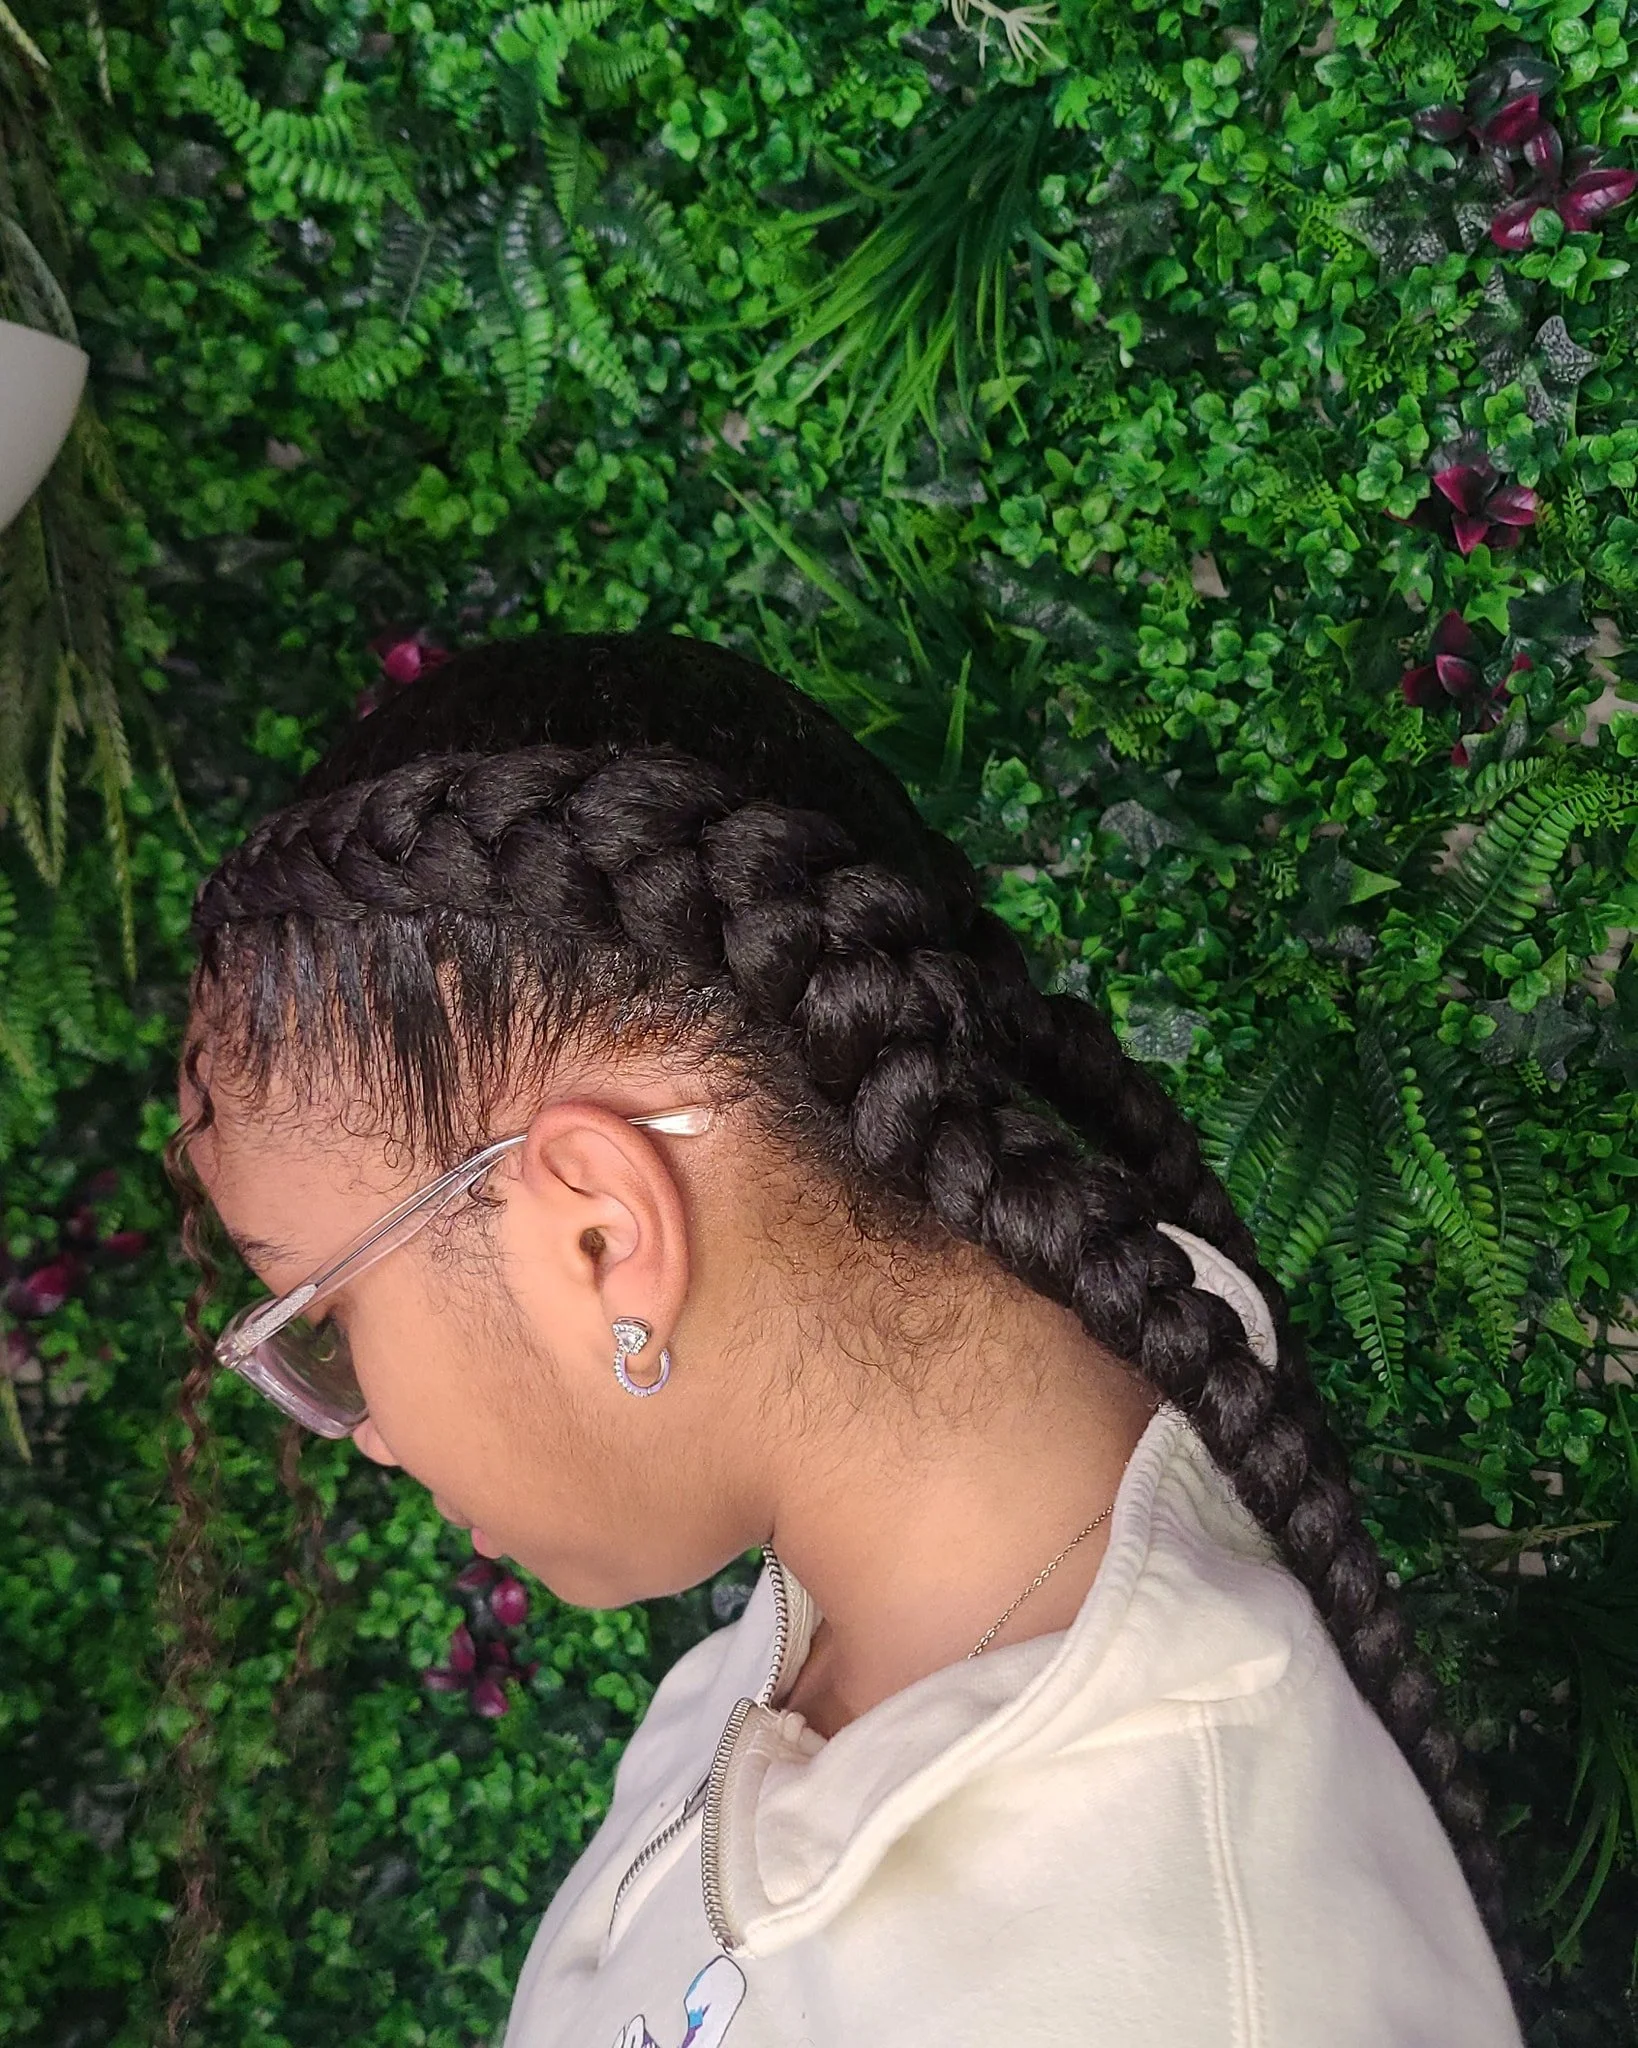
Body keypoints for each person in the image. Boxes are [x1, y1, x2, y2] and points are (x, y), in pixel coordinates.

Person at [174, 633, 1521, 2047]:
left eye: (319, 1323)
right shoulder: (828, 1612)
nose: (355, 1430)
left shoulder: (1193, 1987)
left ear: (598, 1234)